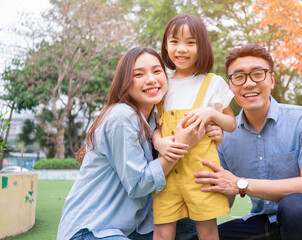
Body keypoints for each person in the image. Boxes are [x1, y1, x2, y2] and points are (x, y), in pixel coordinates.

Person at [194, 44, 302, 240]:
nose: (248, 83)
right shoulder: (225, 136)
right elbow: (224, 200)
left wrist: (240, 184)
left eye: (257, 74)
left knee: (294, 206)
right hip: (263, 223)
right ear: (230, 88)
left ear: (271, 79)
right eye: (239, 77)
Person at [57, 47, 203, 240]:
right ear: (125, 82)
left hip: (130, 229)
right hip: (91, 229)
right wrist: (181, 146)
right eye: (138, 74)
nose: (151, 79)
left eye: (157, 71)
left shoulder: (157, 119)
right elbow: (139, 185)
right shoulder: (122, 117)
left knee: (190, 227)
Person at [151, 14, 236, 240]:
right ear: (166, 45)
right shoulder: (162, 84)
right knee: (162, 230)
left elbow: (231, 123)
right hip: (167, 173)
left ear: (203, 46)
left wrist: (211, 114)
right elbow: (156, 125)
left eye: (191, 42)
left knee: (207, 230)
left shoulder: (213, 82)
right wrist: (158, 142)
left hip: (202, 172)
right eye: (174, 41)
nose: (182, 49)